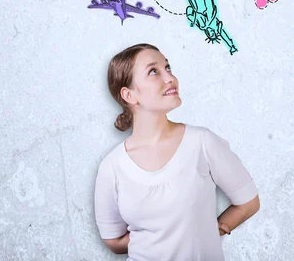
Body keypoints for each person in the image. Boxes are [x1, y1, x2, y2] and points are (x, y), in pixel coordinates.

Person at [94, 43, 260, 260]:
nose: (170, 77)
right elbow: (113, 240)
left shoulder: (201, 142)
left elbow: (248, 201)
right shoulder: (111, 167)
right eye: (153, 71)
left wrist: (208, 232)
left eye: (168, 68)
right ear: (129, 95)